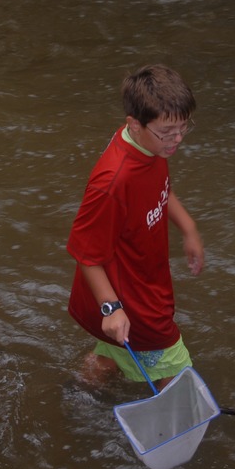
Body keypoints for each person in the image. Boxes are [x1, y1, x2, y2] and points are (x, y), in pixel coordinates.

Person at [67, 64, 204, 389]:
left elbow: (161, 189)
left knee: (116, 351)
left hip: (145, 276)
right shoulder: (112, 183)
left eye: (184, 128)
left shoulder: (152, 144)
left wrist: (189, 228)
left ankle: (78, 391)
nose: (177, 140)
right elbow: (85, 254)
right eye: (168, 132)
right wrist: (112, 308)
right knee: (180, 379)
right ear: (134, 124)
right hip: (131, 296)